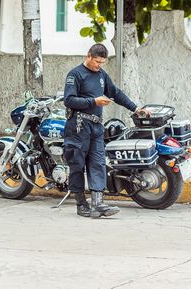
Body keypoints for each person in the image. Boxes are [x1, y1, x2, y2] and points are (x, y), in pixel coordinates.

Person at [63, 43, 148, 218]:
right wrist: (93, 102)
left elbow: (115, 93)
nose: (98, 66)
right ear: (88, 56)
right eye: (96, 62)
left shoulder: (101, 75)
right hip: (79, 125)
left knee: (98, 162)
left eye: (102, 63)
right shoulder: (75, 74)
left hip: (96, 126)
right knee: (77, 164)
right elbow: (69, 100)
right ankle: (81, 204)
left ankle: (98, 204)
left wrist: (135, 108)